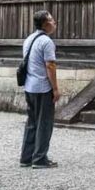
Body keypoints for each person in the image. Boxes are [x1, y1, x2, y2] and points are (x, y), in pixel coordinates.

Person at [20, 10, 60, 169]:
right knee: (44, 122)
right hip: (43, 87)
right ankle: (39, 158)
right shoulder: (46, 42)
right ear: (45, 24)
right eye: (51, 19)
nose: (54, 22)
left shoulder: (28, 39)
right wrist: (55, 88)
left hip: (29, 85)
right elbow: (50, 65)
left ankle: (26, 156)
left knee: (32, 121)